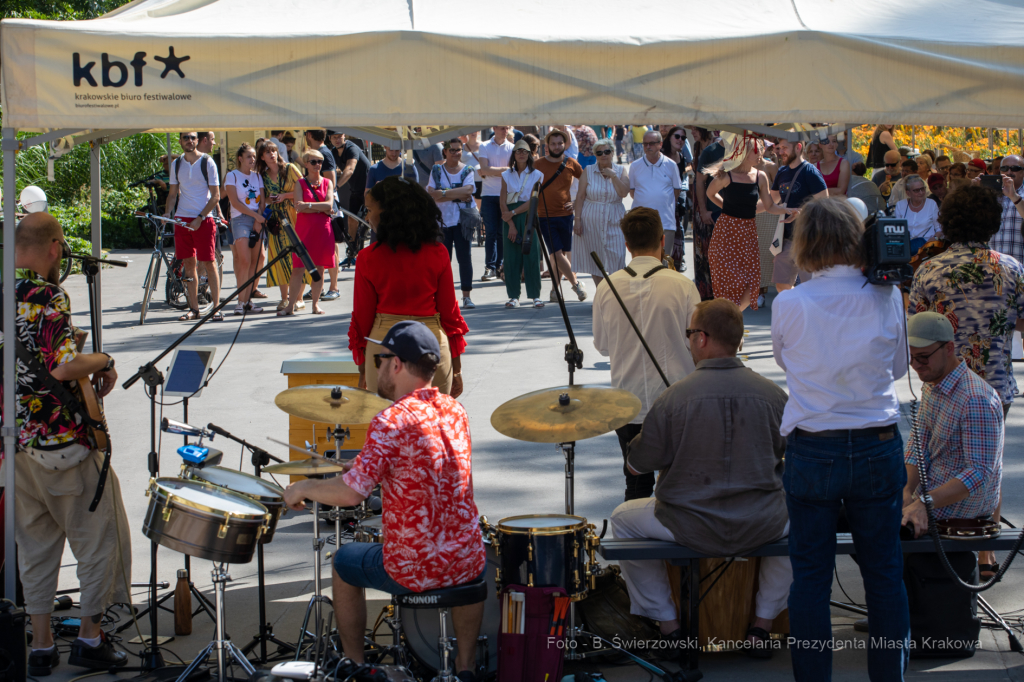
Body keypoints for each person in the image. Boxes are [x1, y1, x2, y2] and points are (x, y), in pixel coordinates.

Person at [282, 321, 485, 679]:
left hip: (417, 566)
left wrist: (303, 488)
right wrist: (363, 464)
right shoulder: (455, 411)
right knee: (464, 564)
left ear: (397, 364)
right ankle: (465, 667)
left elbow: (351, 493)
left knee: (344, 561)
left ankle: (356, 666)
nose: (375, 368)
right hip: (468, 556)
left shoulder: (391, 420)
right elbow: (422, 466)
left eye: (379, 359)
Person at [772, 197, 910, 680]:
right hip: (876, 440)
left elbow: (788, 364)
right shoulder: (887, 296)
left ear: (805, 242)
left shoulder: (790, 302)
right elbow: (897, 370)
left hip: (814, 445)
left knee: (809, 576)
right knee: (884, 574)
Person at [611, 298, 792, 657]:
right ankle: (763, 624)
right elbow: (795, 456)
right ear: (738, 341)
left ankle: (669, 626)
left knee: (622, 520)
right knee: (804, 517)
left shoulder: (674, 398)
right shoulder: (774, 396)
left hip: (687, 522)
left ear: (702, 339)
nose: (689, 339)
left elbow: (638, 464)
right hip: (761, 519)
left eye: (690, 333)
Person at [4, 213, 131, 675]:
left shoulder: (4, 291)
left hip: (18, 444)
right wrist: (104, 358)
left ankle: (39, 646)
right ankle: (90, 638)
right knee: (100, 541)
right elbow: (62, 367)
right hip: (64, 445)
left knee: (35, 550)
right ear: (55, 247)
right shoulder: (47, 294)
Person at [909, 184, 1024, 577]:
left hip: (943, 381)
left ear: (948, 221)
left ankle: (939, 527)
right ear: (992, 223)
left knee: (939, 460)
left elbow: (914, 328)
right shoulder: (1010, 269)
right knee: (988, 462)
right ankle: (985, 552)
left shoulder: (929, 269)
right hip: (994, 383)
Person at [593, 207, 701, 500]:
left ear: (626, 244)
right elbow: (698, 344)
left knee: (636, 485)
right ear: (662, 240)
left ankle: (635, 540)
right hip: (676, 399)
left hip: (628, 402)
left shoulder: (606, 287)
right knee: (680, 481)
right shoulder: (682, 285)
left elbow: (602, 345)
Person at [349, 177, 468, 397]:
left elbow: (362, 321)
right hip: (431, 345)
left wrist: (363, 369)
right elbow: (450, 316)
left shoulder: (367, 258)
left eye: (369, 209)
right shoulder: (439, 252)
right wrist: (457, 368)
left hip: (383, 347)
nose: (367, 216)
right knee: (432, 426)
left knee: (388, 427)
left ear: (388, 212)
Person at [901, 312, 1003, 538]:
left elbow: (978, 472)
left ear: (948, 348)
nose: (916, 365)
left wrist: (924, 503)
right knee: (846, 518)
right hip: (926, 504)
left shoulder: (975, 398)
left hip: (955, 518)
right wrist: (906, 490)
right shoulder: (933, 382)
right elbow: (918, 447)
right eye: (910, 357)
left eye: (923, 357)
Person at [705, 134, 794, 311]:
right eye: (756, 150)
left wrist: (788, 210)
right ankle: (730, 317)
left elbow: (769, 205)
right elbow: (710, 193)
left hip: (747, 234)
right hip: (726, 234)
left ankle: (732, 314)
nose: (761, 152)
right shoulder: (726, 176)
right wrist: (728, 208)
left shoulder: (760, 176)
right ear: (743, 152)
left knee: (751, 282)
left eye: (761, 149)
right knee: (725, 279)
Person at [164, 131, 223, 321]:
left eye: (192, 138)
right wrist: (167, 213)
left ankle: (216, 306)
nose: (189, 141)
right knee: (188, 264)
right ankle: (194, 308)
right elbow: (173, 194)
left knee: (209, 262)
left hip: (203, 220)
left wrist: (200, 217)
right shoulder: (177, 163)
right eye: (185, 138)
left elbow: (216, 196)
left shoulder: (208, 162)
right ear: (180, 141)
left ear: (198, 140)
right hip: (182, 219)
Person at [769, 136, 829, 292]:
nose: (780, 152)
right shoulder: (782, 171)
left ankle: (809, 314)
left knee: (811, 287)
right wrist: (746, 208)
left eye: (785, 148)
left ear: (798, 147)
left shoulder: (810, 172)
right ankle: (796, 309)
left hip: (807, 240)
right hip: (786, 240)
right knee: (782, 285)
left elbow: (825, 205)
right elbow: (771, 200)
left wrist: (801, 213)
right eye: (779, 148)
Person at [279, 149, 334, 316]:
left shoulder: (327, 182)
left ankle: (315, 304)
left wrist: (309, 206)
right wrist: (320, 207)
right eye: (313, 162)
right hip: (304, 231)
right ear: (306, 164)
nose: (317, 165)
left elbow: (329, 206)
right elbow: (298, 206)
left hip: (323, 231)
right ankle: (290, 305)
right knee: (298, 268)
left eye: (319, 161)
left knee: (319, 268)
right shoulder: (300, 183)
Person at [536, 129, 587, 302]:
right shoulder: (538, 164)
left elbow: (586, 183)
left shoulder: (571, 163)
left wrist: (575, 203)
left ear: (565, 145)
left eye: (560, 143)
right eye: (553, 143)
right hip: (545, 216)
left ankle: (554, 292)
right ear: (547, 146)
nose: (557, 146)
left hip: (566, 215)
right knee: (557, 253)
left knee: (561, 254)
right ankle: (575, 284)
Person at [258, 141, 309, 310]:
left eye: (274, 151)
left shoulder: (290, 168)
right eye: (267, 152)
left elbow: (304, 188)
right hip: (275, 219)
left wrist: (284, 195)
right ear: (262, 156)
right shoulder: (262, 175)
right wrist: (270, 199)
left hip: (294, 216)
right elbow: (263, 199)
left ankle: (299, 297)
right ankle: (284, 298)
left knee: (297, 255)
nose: (272, 154)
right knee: (278, 257)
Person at [426, 139, 477, 309]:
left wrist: (444, 193)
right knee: (443, 261)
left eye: (459, 150)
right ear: (445, 152)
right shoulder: (437, 170)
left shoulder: (467, 170)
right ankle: (443, 297)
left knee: (465, 258)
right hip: (442, 222)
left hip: (463, 221)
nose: (456, 153)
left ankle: (466, 296)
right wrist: (457, 194)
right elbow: (432, 194)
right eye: (452, 150)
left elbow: (469, 191)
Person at [574, 138, 630, 288]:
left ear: (612, 153)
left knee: (618, 256)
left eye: (607, 152)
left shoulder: (620, 170)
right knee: (596, 259)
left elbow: (624, 193)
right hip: (591, 220)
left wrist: (613, 176)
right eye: (599, 153)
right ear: (595, 155)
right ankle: (601, 294)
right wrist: (577, 220)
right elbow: (580, 196)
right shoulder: (588, 171)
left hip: (615, 218)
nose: (603, 155)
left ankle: (616, 293)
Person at [499, 139, 545, 308]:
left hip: (528, 215)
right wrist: (510, 222)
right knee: (511, 257)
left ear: (529, 154)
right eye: (518, 151)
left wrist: (513, 213)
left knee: (531, 255)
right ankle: (513, 296)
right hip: (509, 217)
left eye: (524, 151)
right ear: (514, 154)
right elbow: (502, 200)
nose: (521, 154)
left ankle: (535, 296)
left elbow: (534, 200)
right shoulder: (506, 175)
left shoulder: (537, 175)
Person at [224, 143, 266, 314]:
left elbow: (262, 201)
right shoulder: (232, 176)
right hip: (240, 219)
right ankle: (240, 302)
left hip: (258, 218)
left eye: (254, 156)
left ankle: (248, 300)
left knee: (256, 261)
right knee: (244, 261)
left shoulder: (257, 176)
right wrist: (256, 217)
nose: (253, 159)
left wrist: (259, 218)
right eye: (249, 156)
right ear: (240, 158)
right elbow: (234, 202)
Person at [628, 130, 683, 260]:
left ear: (660, 144)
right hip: (641, 224)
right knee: (641, 263)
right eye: (645, 144)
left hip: (666, 223)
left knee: (663, 263)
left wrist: (663, 202)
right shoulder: (635, 166)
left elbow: (677, 191)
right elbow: (632, 192)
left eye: (651, 143)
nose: (648, 147)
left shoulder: (671, 165)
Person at [329, 131, 370, 280]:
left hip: (369, 190)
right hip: (355, 191)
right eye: (334, 137)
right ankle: (353, 253)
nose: (337, 139)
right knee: (351, 220)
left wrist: (336, 187)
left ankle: (369, 254)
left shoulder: (351, 148)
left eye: (339, 136)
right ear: (330, 139)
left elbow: (350, 169)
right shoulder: (333, 152)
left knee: (369, 222)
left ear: (344, 136)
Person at [477, 126, 515, 282]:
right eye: (501, 128)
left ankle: (500, 266)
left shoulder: (512, 147)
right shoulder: (484, 145)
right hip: (488, 195)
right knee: (491, 233)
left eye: (506, 128)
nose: (504, 130)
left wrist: (491, 170)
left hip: (506, 195)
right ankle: (490, 267)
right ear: (494, 128)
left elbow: (514, 170)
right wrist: (506, 169)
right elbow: (484, 170)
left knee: (502, 233)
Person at [692, 130, 722, 300]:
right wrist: (702, 210)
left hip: (733, 213)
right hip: (711, 211)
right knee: (708, 256)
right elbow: (700, 181)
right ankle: (708, 294)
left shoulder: (740, 151)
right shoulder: (707, 151)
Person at [987, 154, 1024, 264]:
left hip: (1020, 266)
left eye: (1015, 168)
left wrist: (1014, 196)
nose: (1009, 172)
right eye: (1004, 168)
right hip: (994, 267)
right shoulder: (991, 196)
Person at [894, 175, 940, 255]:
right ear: (908, 193)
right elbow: (897, 231)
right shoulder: (900, 205)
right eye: (916, 190)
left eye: (922, 189)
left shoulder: (931, 204)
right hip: (907, 246)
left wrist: (935, 238)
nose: (921, 193)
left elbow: (939, 229)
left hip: (926, 245)